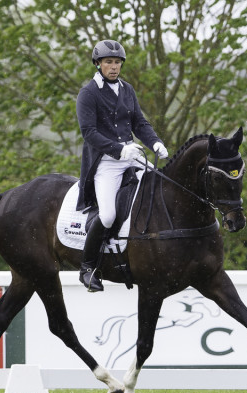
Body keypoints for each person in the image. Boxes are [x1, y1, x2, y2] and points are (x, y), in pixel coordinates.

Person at [76, 39, 169, 292]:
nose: (114, 67)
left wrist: (155, 142)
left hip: (132, 155)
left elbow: (139, 122)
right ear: (98, 64)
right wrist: (119, 149)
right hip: (106, 162)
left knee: (159, 192)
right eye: (108, 62)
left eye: (117, 62)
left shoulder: (127, 89)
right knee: (107, 215)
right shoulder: (88, 93)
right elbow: (89, 133)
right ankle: (88, 268)